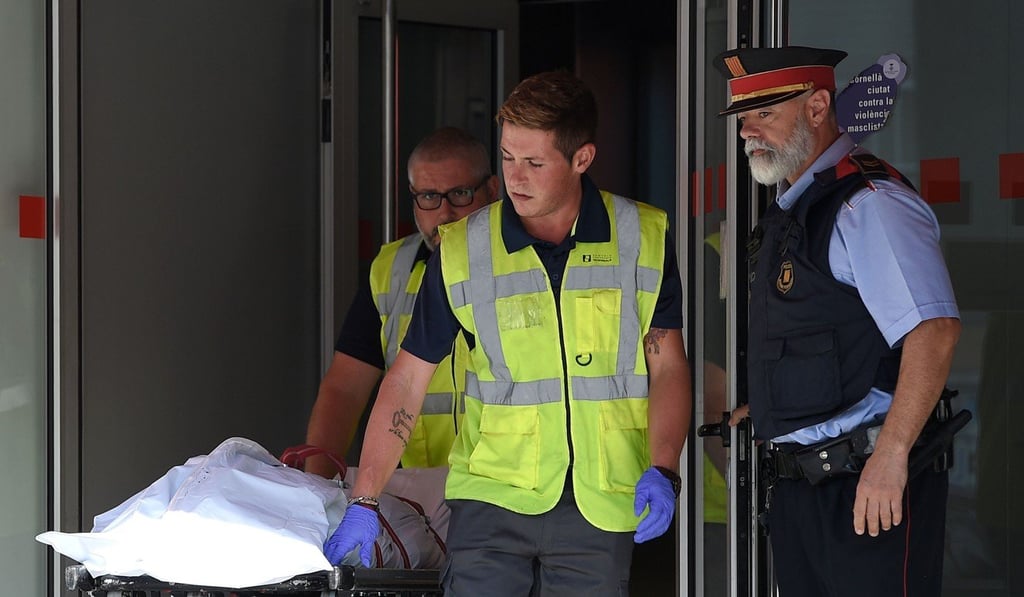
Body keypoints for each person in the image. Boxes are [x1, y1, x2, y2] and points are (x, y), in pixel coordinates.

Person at [323, 70, 693, 595]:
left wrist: (664, 466)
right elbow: (406, 379)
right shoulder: (462, 249)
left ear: (582, 158)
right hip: (490, 501)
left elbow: (669, 366)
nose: (516, 177)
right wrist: (365, 499)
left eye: (534, 163)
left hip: (601, 502)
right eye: (507, 158)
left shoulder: (642, 237)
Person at [715, 46, 961, 596]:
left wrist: (891, 457)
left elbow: (934, 331)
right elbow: (820, 327)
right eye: (743, 117)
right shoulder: (797, 205)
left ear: (818, 106)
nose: (748, 132)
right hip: (803, 485)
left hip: (869, 481)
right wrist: (778, 400)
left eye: (765, 113)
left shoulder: (868, 203)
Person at [304, 126, 498, 477]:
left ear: (493, 190)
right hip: (416, 492)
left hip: (503, 494)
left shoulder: (525, 265)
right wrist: (314, 487)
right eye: (429, 197)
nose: (444, 214)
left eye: (460, 194)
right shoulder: (390, 270)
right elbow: (345, 391)